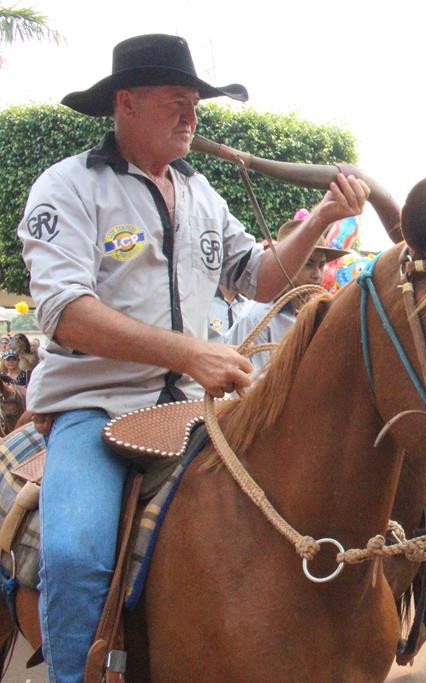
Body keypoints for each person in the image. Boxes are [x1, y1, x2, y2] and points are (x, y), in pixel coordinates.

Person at [17, 34, 369, 682]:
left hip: (197, 406)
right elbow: (65, 310)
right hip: (95, 407)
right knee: (74, 551)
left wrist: (320, 216)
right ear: (125, 103)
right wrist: (190, 352)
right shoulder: (66, 186)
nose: (192, 115)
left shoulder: (202, 193)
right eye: (177, 101)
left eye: (196, 103)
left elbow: (259, 274)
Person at [227, 218, 344, 373]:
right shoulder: (257, 317)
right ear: (287, 263)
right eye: (308, 264)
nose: (317, 275)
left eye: (321, 265)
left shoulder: (315, 316)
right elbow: (249, 386)